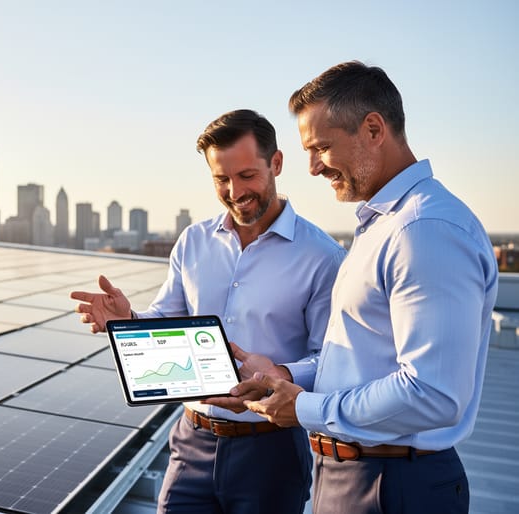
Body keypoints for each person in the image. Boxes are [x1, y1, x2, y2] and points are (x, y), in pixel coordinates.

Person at [211, 61, 499, 514]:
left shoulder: (424, 230)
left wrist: (305, 409)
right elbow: (366, 359)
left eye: (321, 147)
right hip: (359, 477)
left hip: (391, 486)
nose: (310, 168)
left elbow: (433, 394)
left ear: (372, 129)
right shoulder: (383, 226)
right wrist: (286, 377)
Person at [71, 109, 345, 514]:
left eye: (247, 176)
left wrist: (278, 377)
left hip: (271, 452)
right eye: (222, 179)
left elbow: (331, 361)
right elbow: (168, 321)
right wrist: (126, 322)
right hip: (191, 442)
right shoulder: (193, 241)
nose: (235, 191)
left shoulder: (322, 257)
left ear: (277, 163)